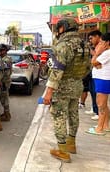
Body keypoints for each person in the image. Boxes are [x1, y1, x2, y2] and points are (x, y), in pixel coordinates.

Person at [43, 18, 91, 163]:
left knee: (59, 117)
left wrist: (48, 92)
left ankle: (62, 151)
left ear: (63, 28)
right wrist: (76, 79)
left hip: (62, 87)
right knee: (73, 114)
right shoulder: (85, 44)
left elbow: (57, 71)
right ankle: (71, 144)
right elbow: (88, 68)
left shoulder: (63, 45)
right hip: (77, 85)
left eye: (58, 28)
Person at [86, 32, 110, 135]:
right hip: (101, 79)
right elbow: (96, 64)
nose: (100, 44)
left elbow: (93, 62)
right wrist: (96, 61)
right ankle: (105, 125)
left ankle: (99, 128)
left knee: (101, 105)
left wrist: (96, 54)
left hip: (103, 79)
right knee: (104, 105)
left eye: (102, 42)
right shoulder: (105, 53)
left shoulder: (107, 52)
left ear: (107, 42)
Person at [85, 30, 102, 121]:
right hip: (93, 72)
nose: (90, 40)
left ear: (97, 36)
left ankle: (98, 112)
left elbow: (96, 58)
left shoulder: (102, 46)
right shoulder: (95, 46)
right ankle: (94, 109)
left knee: (97, 94)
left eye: (91, 38)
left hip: (100, 74)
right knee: (92, 91)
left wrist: (90, 50)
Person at [0, 44, 13, 122]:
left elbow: (6, 73)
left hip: (4, 81)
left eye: (2, 50)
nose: (0, 52)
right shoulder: (3, 59)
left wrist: (2, 81)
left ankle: (7, 115)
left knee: (4, 98)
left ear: (5, 51)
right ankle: (6, 113)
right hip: (4, 81)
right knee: (3, 98)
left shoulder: (6, 60)